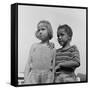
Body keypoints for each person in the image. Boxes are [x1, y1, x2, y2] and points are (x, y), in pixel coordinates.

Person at [24, 20, 56, 84]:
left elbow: (53, 66)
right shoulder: (34, 46)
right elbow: (28, 64)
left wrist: (52, 80)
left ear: (49, 31)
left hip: (47, 78)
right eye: (39, 30)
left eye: (43, 29)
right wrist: (26, 79)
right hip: (33, 77)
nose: (40, 31)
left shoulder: (52, 48)